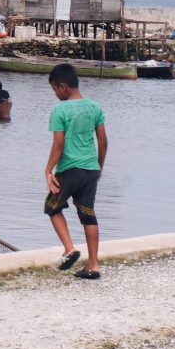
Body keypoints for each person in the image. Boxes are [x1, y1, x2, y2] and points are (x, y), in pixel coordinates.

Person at [44, 63, 108, 280]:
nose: (55, 94)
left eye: (54, 89)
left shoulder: (59, 110)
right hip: (91, 168)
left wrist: (48, 169)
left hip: (69, 168)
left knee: (53, 207)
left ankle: (69, 248)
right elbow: (103, 141)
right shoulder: (95, 107)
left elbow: (59, 144)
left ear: (62, 86)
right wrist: (98, 166)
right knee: (88, 215)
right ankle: (93, 266)